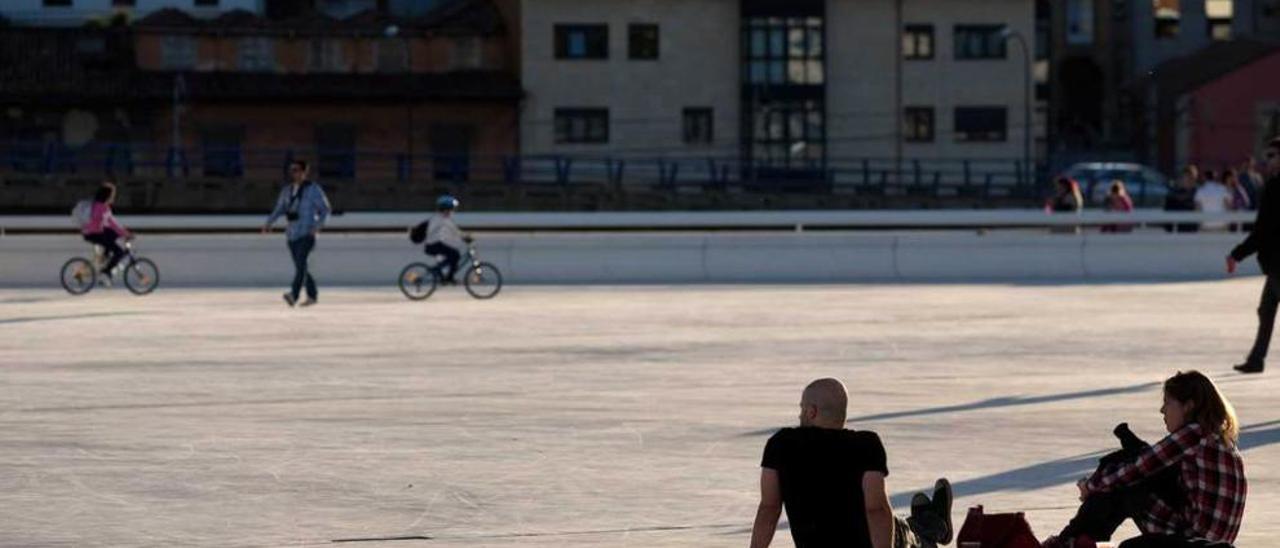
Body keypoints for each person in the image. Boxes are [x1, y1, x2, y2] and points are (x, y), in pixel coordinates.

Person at [1042, 371, 1245, 548]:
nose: (1162, 410)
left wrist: (1092, 485)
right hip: (1209, 539)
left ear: (1188, 406)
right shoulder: (1218, 439)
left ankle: (1070, 541)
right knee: (1130, 469)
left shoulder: (1195, 434)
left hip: (1192, 542)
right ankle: (1074, 539)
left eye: (1168, 402)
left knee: (1127, 483)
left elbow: (1139, 467)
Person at [750, 378, 954, 548]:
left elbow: (769, 507)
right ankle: (935, 522)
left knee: (913, 536)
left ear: (811, 411)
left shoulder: (781, 444)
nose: (799, 414)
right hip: (878, 539)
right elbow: (877, 509)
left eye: (802, 408)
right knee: (909, 534)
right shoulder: (865, 445)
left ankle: (934, 523)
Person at [1227, 138, 1280, 373]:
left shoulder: (1274, 187)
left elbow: (1263, 230)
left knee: (1267, 309)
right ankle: (1256, 359)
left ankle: (1256, 359)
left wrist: (1237, 254)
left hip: (1279, 262)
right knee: (1266, 310)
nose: (1266, 160)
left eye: (1271, 155)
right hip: (1275, 264)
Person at [262, 159, 331, 307]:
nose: (294, 173)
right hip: (292, 234)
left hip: (307, 233)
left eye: (297, 170)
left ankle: (293, 295)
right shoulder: (287, 190)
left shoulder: (313, 189)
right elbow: (279, 208)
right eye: (292, 170)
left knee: (301, 265)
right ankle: (312, 296)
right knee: (302, 267)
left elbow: (325, 210)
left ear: (304, 172)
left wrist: (317, 226)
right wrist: (269, 222)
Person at [80, 180, 133, 285]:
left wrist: (122, 232)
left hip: (91, 232)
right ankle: (106, 272)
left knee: (113, 235)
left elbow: (110, 225)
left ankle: (105, 257)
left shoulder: (97, 205)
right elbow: (112, 223)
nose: (113, 197)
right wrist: (126, 234)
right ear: (108, 196)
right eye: (112, 195)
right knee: (119, 252)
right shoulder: (103, 208)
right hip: (94, 234)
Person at [423, 195, 470, 285]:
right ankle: (448, 277)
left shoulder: (441, 218)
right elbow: (455, 230)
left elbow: (453, 231)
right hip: (433, 245)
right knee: (455, 255)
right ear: (446, 208)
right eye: (452, 208)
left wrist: (463, 237)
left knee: (453, 255)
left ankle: (444, 276)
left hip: (435, 244)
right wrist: (465, 237)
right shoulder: (441, 219)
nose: (453, 211)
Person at [1165, 166, 1200, 233]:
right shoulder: (1172, 195)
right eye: (1188, 178)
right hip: (1176, 232)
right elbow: (1167, 220)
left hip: (1192, 232)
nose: (1191, 181)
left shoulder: (1198, 193)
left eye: (1193, 178)